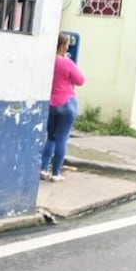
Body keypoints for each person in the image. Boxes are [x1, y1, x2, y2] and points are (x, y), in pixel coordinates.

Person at [39, 33, 85, 182]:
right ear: (63, 46)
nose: (67, 47)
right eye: (66, 44)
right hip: (67, 104)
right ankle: (56, 173)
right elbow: (80, 80)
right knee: (62, 139)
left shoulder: (48, 61)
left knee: (51, 138)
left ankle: (43, 168)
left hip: (51, 104)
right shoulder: (67, 62)